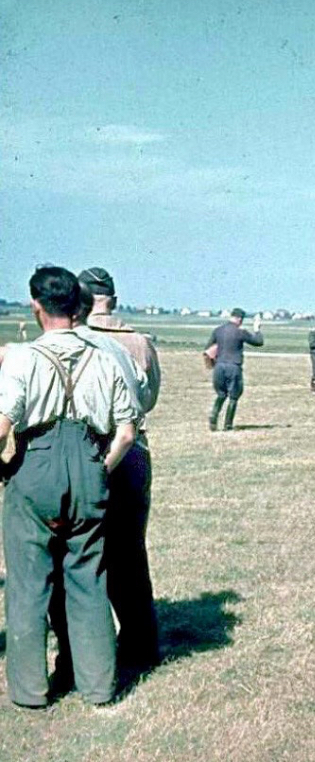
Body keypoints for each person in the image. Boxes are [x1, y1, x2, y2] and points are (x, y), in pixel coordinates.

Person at [0, 266, 136, 708]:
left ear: (36, 306)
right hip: (90, 464)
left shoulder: (22, 357)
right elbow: (127, 433)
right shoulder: (106, 355)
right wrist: (100, 468)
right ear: (78, 306)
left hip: (34, 466)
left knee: (27, 584)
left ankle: (30, 691)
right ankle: (99, 687)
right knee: (89, 578)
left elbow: (3, 426)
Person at [76, 267, 162, 669]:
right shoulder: (140, 342)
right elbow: (150, 399)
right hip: (131, 451)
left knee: (82, 551)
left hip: (86, 450)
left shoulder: (73, 339)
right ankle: (141, 646)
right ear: (113, 297)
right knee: (131, 552)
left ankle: (90, 648)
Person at [205, 308, 263, 431]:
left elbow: (208, 349)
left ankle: (214, 416)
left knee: (221, 394)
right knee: (233, 397)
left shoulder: (218, 330)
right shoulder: (240, 332)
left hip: (219, 366)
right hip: (234, 366)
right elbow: (258, 342)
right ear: (240, 319)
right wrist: (257, 329)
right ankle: (228, 424)